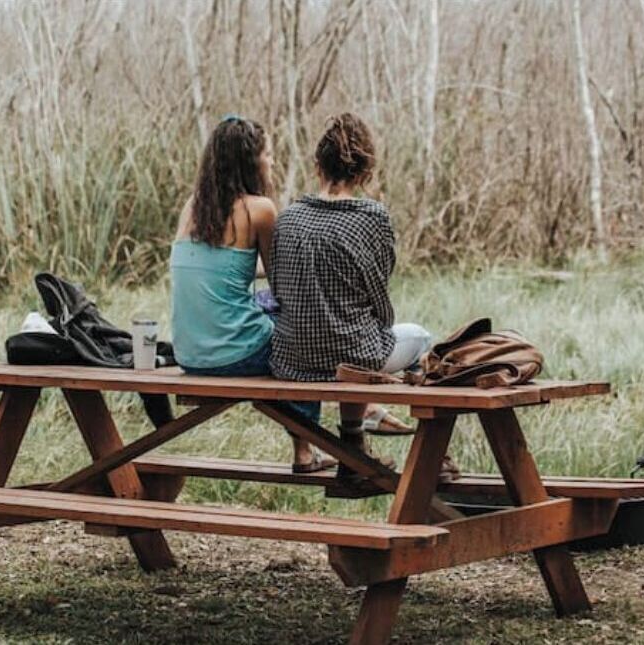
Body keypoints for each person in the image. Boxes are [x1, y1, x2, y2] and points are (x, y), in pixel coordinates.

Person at [269, 112, 459, 480]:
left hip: (292, 358)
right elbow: (379, 300)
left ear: (317, 166)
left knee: (352, 345)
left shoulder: (288, 218)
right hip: (353, 356)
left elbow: (278, 289)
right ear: (364, 171)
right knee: (419, 339)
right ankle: (437, 459)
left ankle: (354, 447)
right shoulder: (371, 218)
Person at [169, 115, 335, 473]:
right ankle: (308, 449)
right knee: (305, 332)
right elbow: (284, 288)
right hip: (234, 354)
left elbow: (225, 269)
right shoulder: (260, 209)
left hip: (189, 353)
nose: (272, 162)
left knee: (265, 308)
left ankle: (327, 438)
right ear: (251, 161)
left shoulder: (194, 206)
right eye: (269, 154)